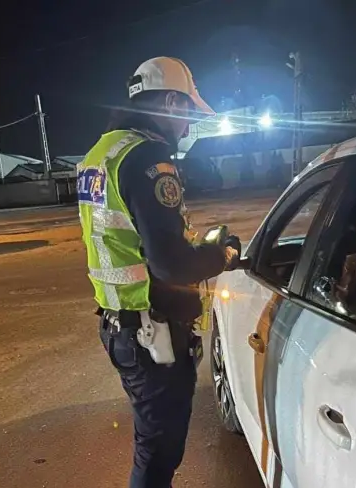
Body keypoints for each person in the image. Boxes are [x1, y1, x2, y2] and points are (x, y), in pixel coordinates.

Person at [77, 57, 241, 488]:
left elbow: (130, 238)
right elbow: (171, 264)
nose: (188, 126)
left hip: (121, 324)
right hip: (152, 335)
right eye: (187, 111)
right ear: (170, 102)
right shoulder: (148, 156)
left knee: (153, 446)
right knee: (158, 457)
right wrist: (222, 254)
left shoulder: (101, 153)